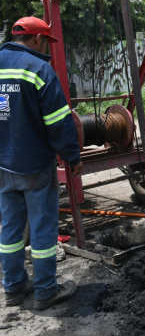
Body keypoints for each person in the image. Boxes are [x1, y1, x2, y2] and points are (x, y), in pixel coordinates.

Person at [0, 17, 82, 310]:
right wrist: (72, 157)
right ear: (37, 39)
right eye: (46, 41)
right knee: (43, 229)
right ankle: (46, 290)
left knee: (9, 230)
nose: (46, 46)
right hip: (33, 165)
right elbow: (59, 122)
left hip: (2, 165)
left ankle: (13, 288)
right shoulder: (38, 69)